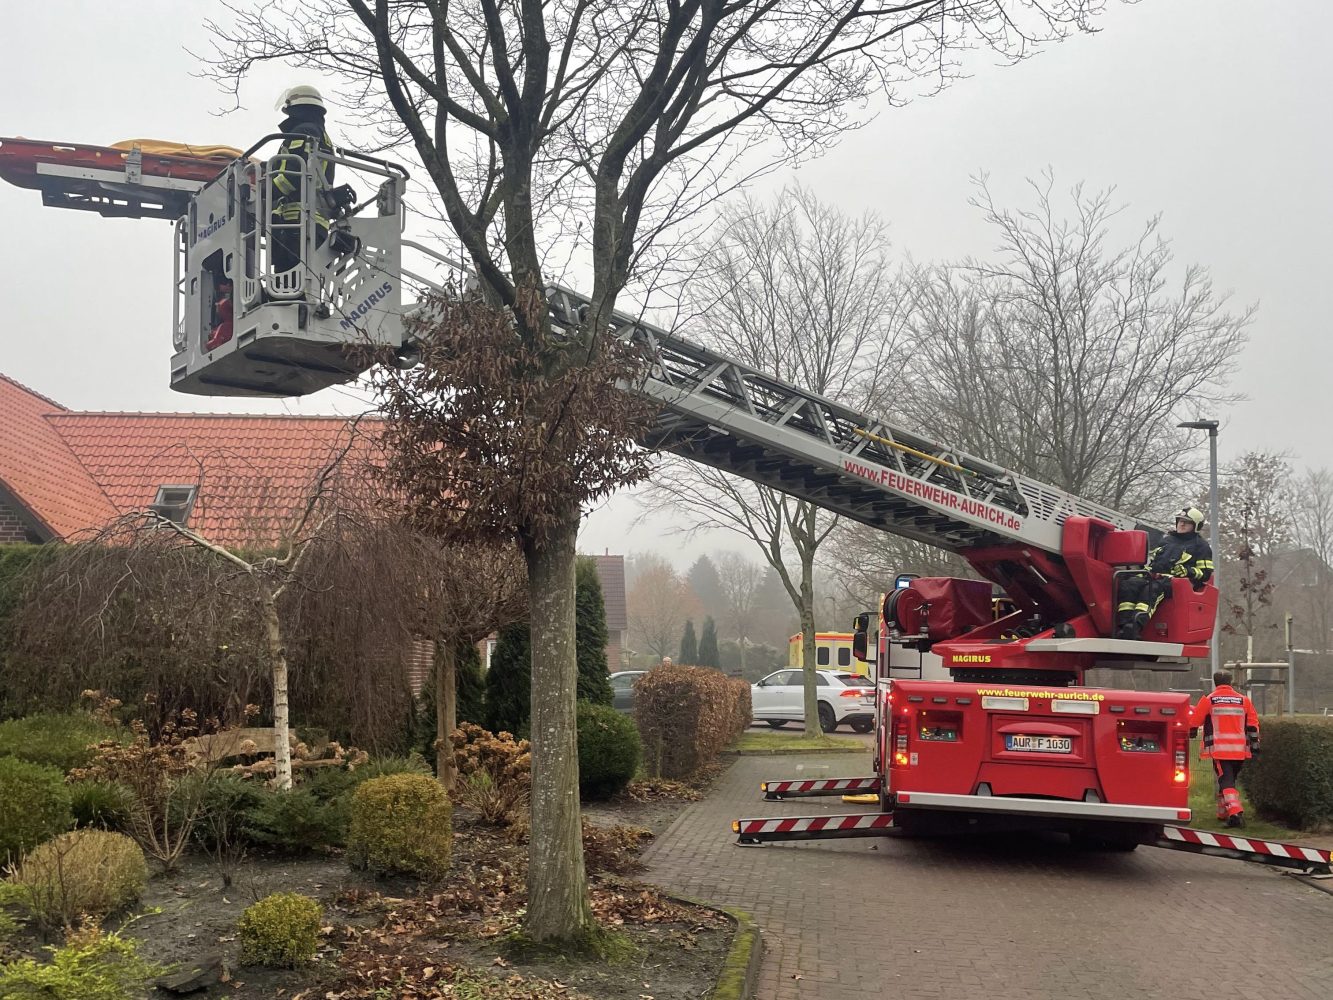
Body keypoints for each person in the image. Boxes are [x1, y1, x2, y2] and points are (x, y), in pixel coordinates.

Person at [1114, 506, 1214, 641]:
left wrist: (1188, 571)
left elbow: (1206, 573)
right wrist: (1140, 574)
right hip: (1154, 577)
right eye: (1180, 520)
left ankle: (1135, 627)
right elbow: (1155, 563)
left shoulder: (1201, 546)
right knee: (1129, 584)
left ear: (1196, 526)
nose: (1182, 524)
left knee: (1151, 590)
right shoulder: (1167, 540)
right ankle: (1123, 626)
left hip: (1176, 584)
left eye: (1187, 522)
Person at [269, 85, 336, 278]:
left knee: (288, 284)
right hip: (312, 221)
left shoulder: (303, 130)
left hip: (297, 221)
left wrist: (266, 191)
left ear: (296, 109)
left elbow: (294, 174)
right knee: (304, 283)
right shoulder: (318, 133)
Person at [1189, 670, 1260, 828]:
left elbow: (1195, 721)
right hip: (1240, 750)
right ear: (1231, 682)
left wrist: (1191, 730)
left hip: (1221, 750)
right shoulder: (1244, 700)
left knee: (1226, 782)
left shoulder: (1209, 700)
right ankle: (1222, 813)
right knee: (1229, 781)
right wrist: (1255, 745)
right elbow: (1253, 723)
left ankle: (1235, 813)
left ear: (1215, 682)